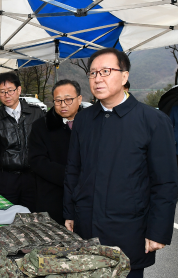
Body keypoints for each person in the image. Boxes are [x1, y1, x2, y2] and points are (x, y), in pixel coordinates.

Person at [63, 48, 178, 278]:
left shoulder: (153, 121)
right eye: (93, 73)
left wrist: (158, 231)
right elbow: (74, 169)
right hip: (87, 226)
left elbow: (165, 182)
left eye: (105, 71)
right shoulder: (84, 119)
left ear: (124, 76)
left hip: (129, 229)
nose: (97, 78)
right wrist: (69, 212)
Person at [0, 72, 43, 210]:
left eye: (10, 90)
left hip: (33, 176)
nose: (7, 95)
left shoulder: (36, 113)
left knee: (32, 215)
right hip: (7, 178)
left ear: (19, 90)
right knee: (8, 215)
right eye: (2, 92)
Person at [28, 80, 82, 225]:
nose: (63, 104)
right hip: (52, 196)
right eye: (58, 100)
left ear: (79, 99)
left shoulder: (92, 125)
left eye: (68, 99)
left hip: (84, 197)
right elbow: (37, 161)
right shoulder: (41, 126)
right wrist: (70, 176)